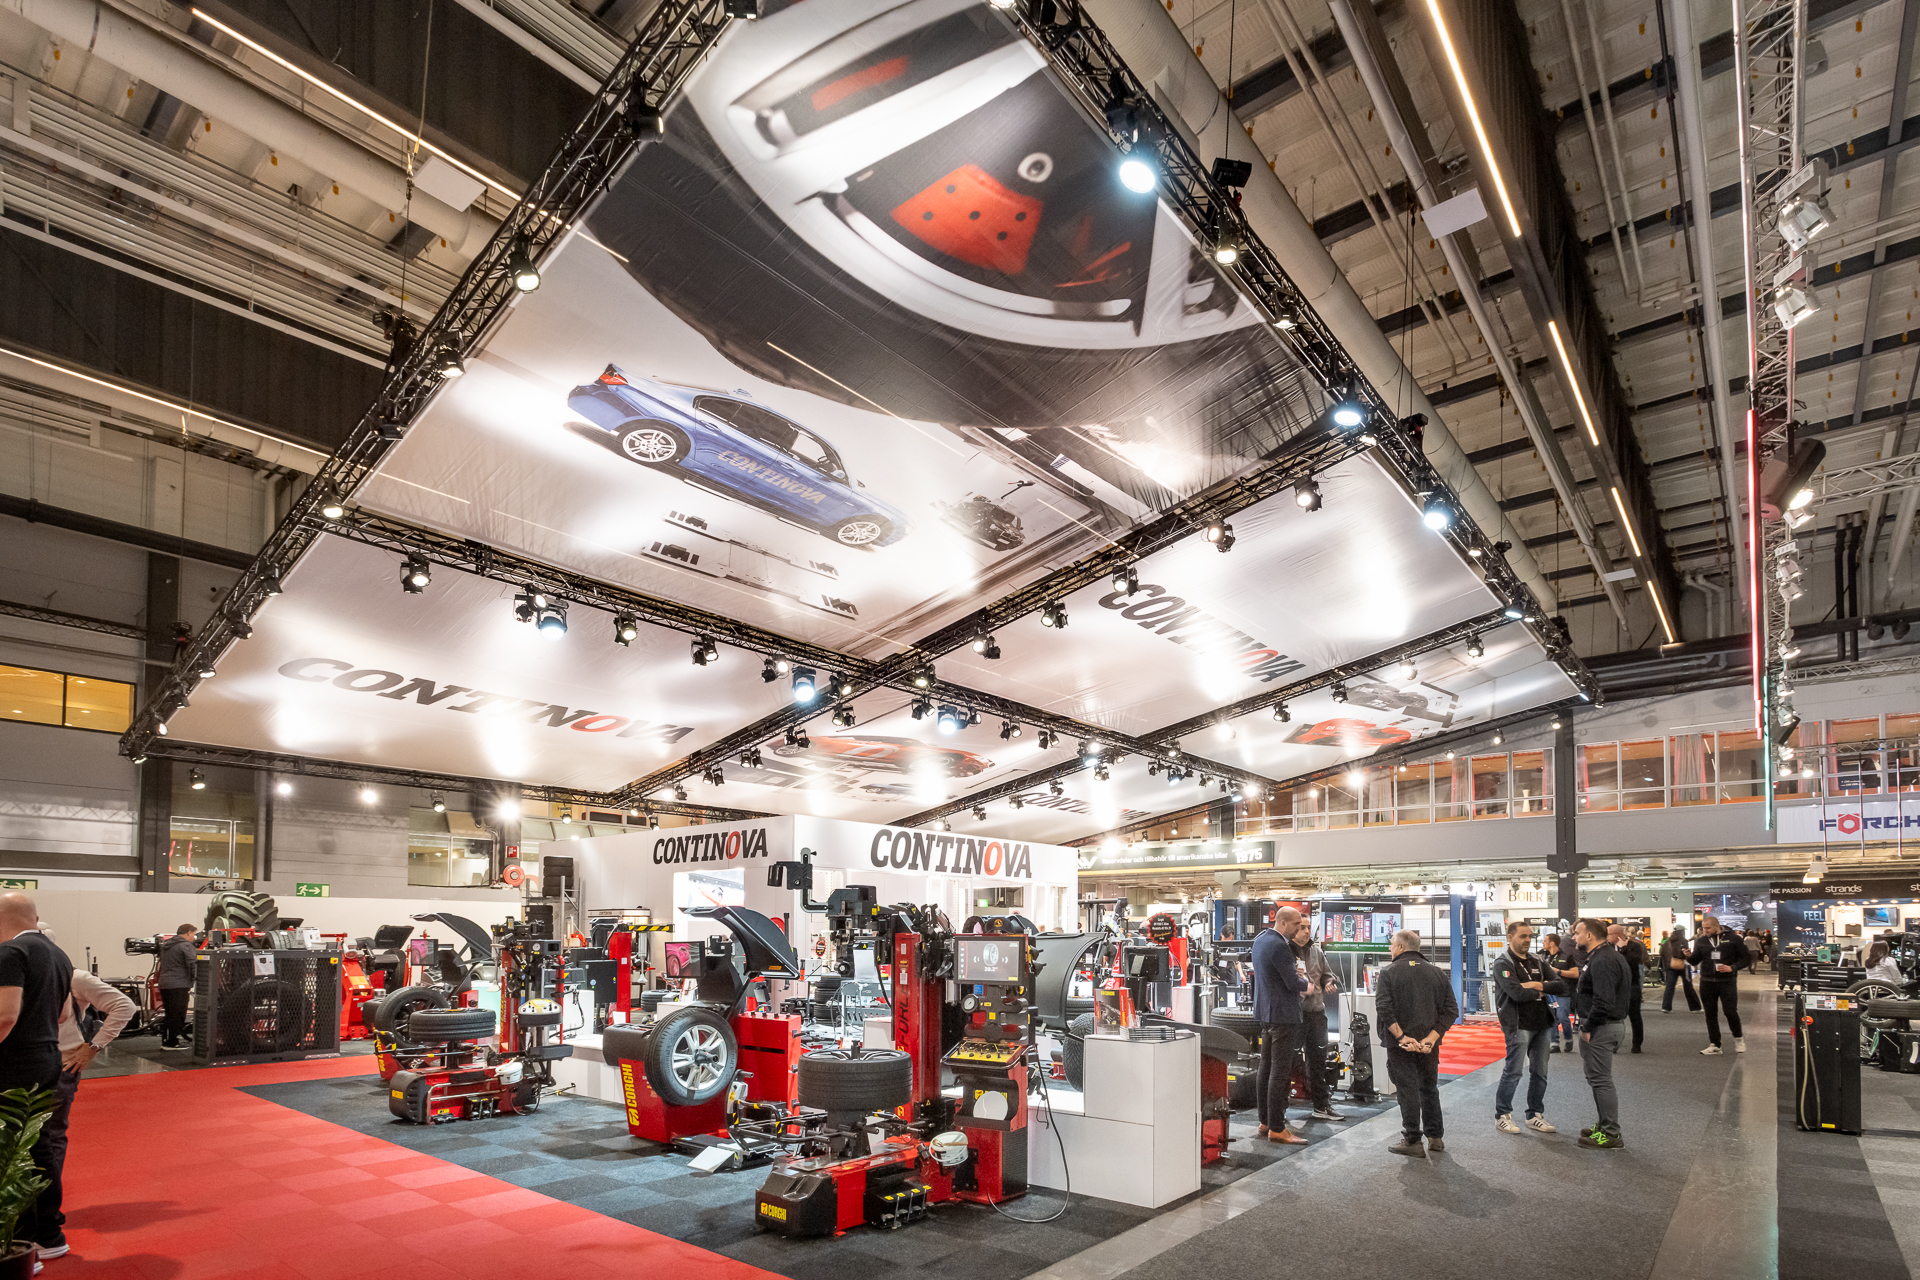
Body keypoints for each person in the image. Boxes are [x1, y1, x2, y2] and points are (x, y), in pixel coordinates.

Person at [36, 922, 134, 1264]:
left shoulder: (75, 977)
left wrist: (92, 1047)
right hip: (36, 1063)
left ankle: (45, 1212)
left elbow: (124, 1006)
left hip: (63, 1064)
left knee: (48, 1138)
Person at [0, 892, 75, 1254]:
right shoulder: (58, 954)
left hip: (15, 1062)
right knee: (38, 1145)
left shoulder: (11, 953)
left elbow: (5, 1016)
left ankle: (27, 1237)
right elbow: (62, 1015)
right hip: (47, 1055)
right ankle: (47, 1233)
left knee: (16, 1149)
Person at [1374, 929, 1457, 1157]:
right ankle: (1435, 1137)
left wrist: (1401, 1037)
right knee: (1429, 1088)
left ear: (1401, 947)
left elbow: (1384, 1008)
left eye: (1392, 945)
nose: (1390, 949)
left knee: (1407, 1089)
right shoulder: (1437, 973)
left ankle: (1412, 1139)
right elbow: (1451, 1010)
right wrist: (1431, 1038)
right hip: (1429, 1045)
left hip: (1401, 1045)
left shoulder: (1389, 972)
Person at [1491, 920, 1566, 1135]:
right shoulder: (1502, 963)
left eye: (1529, 936)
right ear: (1510, 937)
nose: (1527, 940)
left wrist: (1535, 985)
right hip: (1518, 1024)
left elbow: (1560, 985)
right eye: (1522, 936)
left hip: (1543, 1023)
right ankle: (1502, 1115)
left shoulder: (1538, 961)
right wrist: (1542, 990)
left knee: (1540, 1072)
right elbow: (1516, 993)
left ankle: (1534, 1115)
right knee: (1513, 1072)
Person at [1250, 906, 1309, 1145]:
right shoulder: (1280, 946)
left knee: (1266, 1068)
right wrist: (1306, 982)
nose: (1299, 929)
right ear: (1283, 923)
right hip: (1283, 1015)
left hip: (1266, 1014)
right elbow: (1293, 983)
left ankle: (1265, 1121)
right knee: (1279, 1072)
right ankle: (1276, 1127)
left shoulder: (1261, 940)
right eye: (1297, 925)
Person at [1572, 918, 1632, 1150]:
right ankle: (1604, 1125)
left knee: (1601, 1080)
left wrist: (1588, 1028)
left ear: (1589, 935)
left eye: (1578, 933)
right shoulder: (1604, 956)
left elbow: (1603, 1000)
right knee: (1597, 1078)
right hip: (1606, 1025)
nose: (1575, 937)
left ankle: (1611, 1133)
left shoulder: (1603, 960)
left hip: (1602, 1027)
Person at [1288, 915, 1346, 1123]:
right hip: (1293, 1016)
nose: (1305, 931)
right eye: (1301, 927)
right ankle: (1280, 1110)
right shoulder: (1286, 950)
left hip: (1317, 1014)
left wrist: (1329, 981)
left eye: (1308, 927)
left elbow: (1328, 974)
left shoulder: (1316, 951)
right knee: (1288, 1063)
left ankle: (1321, 1106)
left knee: (1318, 1063)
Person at [1690, 915, 1751, 1054]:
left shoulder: (1733, 939)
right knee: (1710, 1014)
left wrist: (1733, 967)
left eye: (1707, 928)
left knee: (1730, 1011)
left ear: (1717, 926)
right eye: (1703, 928)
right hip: (1706, 981)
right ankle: (1715, 1045)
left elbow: (1746, 958)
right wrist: (1688, 955)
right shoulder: (1702, 941)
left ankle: (1738, 1038)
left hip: (1727, 981)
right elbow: (1695, 960)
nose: (1704, 931)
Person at [157, 924, 198, 1048]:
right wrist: (197, 978)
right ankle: (172, 1042)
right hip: (179, 984)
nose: (194, 937)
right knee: (178, 1014)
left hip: (165, 983)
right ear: (188, 933)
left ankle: (167, 1040)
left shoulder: (166, 946)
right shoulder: (186, 946)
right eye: (194, 934)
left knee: (170, 1013)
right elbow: (192, 964)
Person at [1610, 925, 1649, 1053]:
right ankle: (1613, 1044)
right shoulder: (1608, 947)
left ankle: (1637, 1044)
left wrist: (1623, 948)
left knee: (1635, 1015)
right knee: (1613, 1016)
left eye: (1609, 934)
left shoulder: (1634, 946)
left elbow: (1632, 961)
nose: (1606, 937)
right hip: (1614, 986)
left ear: (1618, 935)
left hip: (1632, 985)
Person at [1542, 933, 1579, 1052]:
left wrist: (1558, 971)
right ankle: (1555, 1043)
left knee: (1563, 1017)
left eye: (1545, 941)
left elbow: (1575, 974)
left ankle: (1568, 1040)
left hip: (1564, 992)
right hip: (1549, 992)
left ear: (1552, 943)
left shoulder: (1567, 956)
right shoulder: (1543, 957)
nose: (1543, 943)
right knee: (1551, 1018)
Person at [1659, 925, 1700, 1013]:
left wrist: (1667, 964)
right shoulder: (1683, 940)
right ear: (1682, 931)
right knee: (1688, 986)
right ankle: (1695, 1007)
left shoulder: (1668, 942)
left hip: (1671, 966)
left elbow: (1662, 953)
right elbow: (1683, 953)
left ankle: (1666, 1007)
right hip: (1682, 965)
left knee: (1669, 986)